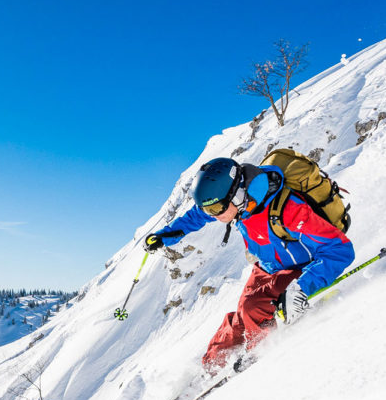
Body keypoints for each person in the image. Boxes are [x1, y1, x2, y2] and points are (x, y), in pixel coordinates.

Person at [145, 157, 355, 371]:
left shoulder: (289, 209)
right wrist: (163, 236)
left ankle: (259, 357)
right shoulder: (236, 201)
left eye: (216, 208)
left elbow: (340, 250)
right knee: (241, 317)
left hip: (303, 268)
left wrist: (301, 288)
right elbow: (196, 217)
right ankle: (212, 366)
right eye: (209, 210)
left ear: (236, 194)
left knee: (253, 307)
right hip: (267, 266)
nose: (213, 215)